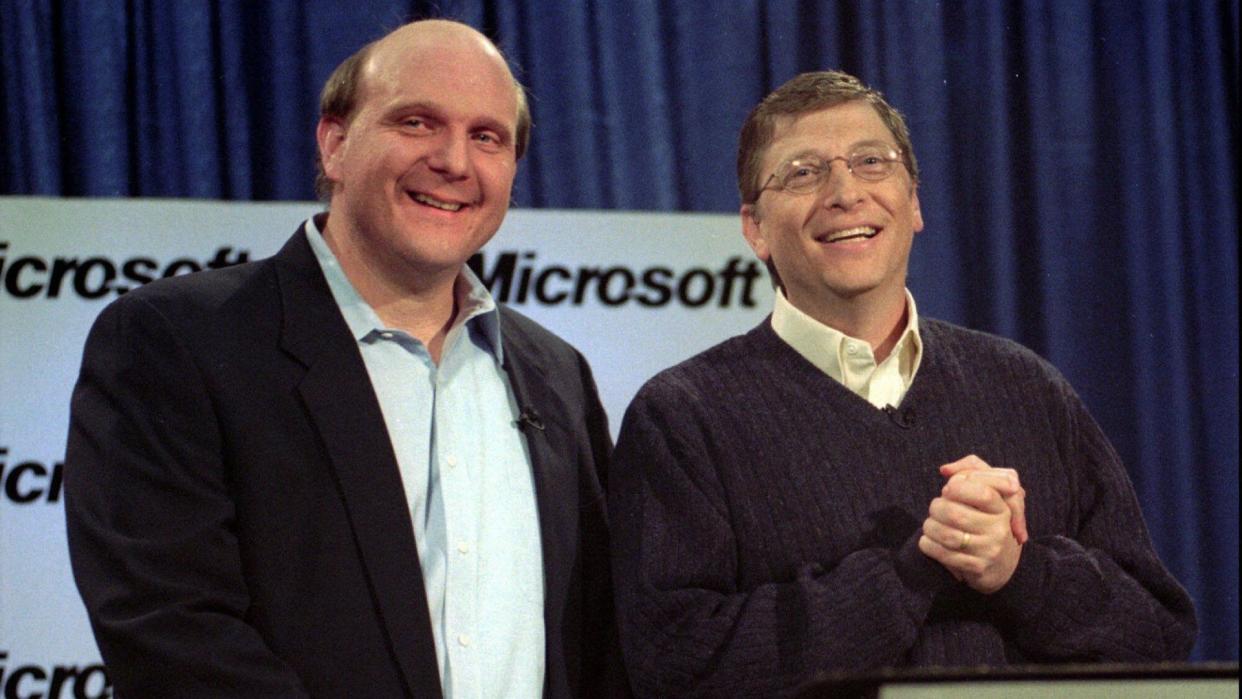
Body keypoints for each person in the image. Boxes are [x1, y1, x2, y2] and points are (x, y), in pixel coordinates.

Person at [64, 19, 625, 698]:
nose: (454, 161)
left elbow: (596, 636)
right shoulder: (176, 341)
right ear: (334, 144)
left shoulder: (557, 373)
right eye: (417, 122)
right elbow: (169, 629)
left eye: (488, 137)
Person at [608, 70, 1196, 697]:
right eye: (803, 172)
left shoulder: (1027, 386)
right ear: (754, 228)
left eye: (870, 162)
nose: (844, 193)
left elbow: (1159, 634)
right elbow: (676, 667)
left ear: (913, 201)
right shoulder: (682, 417)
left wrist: (1018, 572)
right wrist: (911, 572)